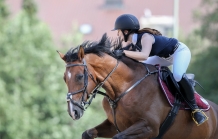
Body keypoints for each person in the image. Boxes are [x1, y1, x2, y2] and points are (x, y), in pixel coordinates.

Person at [111, 14, 208, 126]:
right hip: (163, 57)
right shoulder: (134, 42)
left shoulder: (145, 37)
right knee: (141, 67)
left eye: (118, 31)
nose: (118, 34)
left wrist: (122, 52)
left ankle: (195, 108)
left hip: (179, 52)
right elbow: (131, 56)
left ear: (126, 31)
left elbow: (144, 55)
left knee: (177, 75)